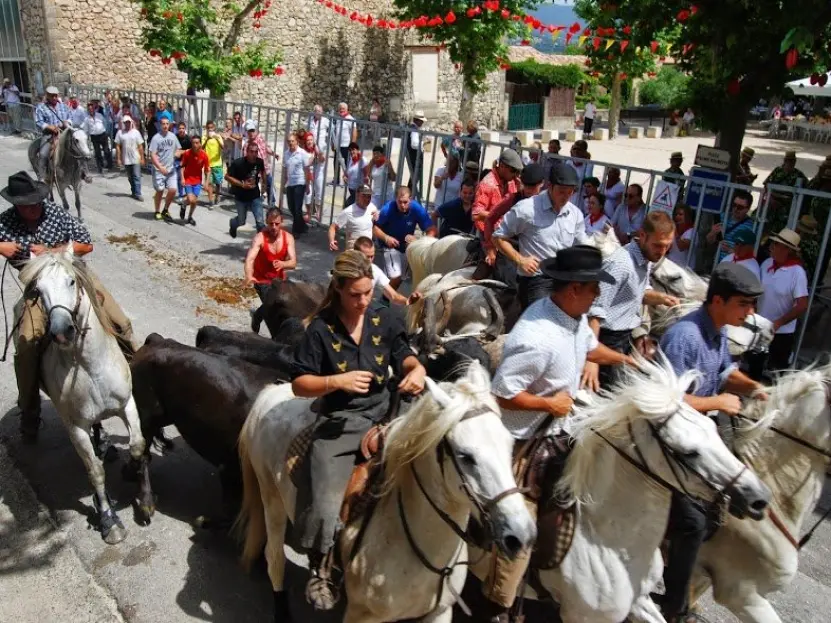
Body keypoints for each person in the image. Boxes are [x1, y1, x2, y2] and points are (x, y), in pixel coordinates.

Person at [484, 245, 635, 622]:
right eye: (593, 288)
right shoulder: (536, 335)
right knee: (523, 524)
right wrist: (548, 405)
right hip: (523, 443)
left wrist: (628, 360)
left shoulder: (574, 317)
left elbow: (590, 348)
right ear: (573, 290)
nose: (598, 295)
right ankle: (500, 602)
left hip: (562, 430)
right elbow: (502, 394)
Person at [290, 250, 426, 611]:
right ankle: (321, 565)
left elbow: (402, 351)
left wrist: (417, 370)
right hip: (342, 422)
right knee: (324, 503)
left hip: (390, 410)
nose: (364, 301)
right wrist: (337, 380)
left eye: (368, 292)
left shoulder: (384, 314)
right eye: (355, 294)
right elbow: (299, 385)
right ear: (337, 289)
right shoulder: (320, 330)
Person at [658, 263, 767, 623]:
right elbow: (665, 399)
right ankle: (675, 606)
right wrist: (716, 403)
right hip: (667, 441)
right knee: (692, 521)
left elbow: (723, 372)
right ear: (718, 300)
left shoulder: (717, 330)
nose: (750, 312)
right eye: (744, 304)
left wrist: (752, 387)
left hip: (698, 436)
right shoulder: (685, 336)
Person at [0, 171, 136, 442]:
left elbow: (86, 243)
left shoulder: (54, 212)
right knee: (27, 344)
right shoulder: (5, 222)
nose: (32, 207)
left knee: (121, 322)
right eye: (26, 204)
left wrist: (45, 251)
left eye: (35, 202)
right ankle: (29, 408)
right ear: (16, 204)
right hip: (40, 287)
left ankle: (137, 382)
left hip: (74, 274)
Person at [586, 211, 680, 389]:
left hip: (624, 339)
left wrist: (661, 298)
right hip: (606, 340)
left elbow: (637, 292)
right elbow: (595, 311)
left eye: (667, 247)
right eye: (658, 245)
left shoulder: (646, 258)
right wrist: (592, 358)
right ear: (642, 236)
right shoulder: (620, 264)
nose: (662, 252)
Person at [493, 163, 589, 309]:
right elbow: (498, 237)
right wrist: (520, 260)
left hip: (564, 280)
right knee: (542, 320)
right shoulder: (527, 209)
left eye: (570, 192)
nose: (566, 197)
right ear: (550, 186)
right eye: (562, 191)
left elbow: (582, 247)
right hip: (537, 280)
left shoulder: (575, 214)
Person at [748, 228, 809, 379]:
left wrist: (779, 322)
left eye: (776, 244)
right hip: (760, 325)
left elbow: (802, 304)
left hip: (782, 333)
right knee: (754, 366)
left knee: (778, 373)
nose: (771, 247)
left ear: (786, 250)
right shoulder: (767, 264)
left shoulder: (797, 273)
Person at [479, 162, 547, 277]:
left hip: (537, 255)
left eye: (532, 187)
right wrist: (490, 248)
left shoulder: (548, 204)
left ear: (542, 184)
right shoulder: (512, 199)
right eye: (526, 186)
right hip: (510, 254)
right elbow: (490, 219)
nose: (528, 191)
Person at [373, 186, 436, 290]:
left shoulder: (417, 209)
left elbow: (432, 230)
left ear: (410, 199)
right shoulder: (387, 209)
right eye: (400, 202)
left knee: (400, 279)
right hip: (389, 246)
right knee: (396, 277)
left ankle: (384, 299)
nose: (402, 205)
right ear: (395, 199)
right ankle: (383, 295)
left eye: (405, 202)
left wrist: (419, 242)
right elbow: (374, 228)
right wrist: (386, 238)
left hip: (406, 248)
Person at [244, 208, 297, 302]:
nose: (274, 227)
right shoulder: (259, 238)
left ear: (282, 222)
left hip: (279, 280)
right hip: (262, 281)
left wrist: (283, 264)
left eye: (277, 224)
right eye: (270, 224)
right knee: (273, 303)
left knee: (290, 302)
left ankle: (257, 316)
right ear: (266, 222)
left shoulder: (288, 238)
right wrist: (249, 275)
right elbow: (250, 259)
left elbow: (293, 263)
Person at [353, 237, 418, 306]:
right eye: (366, 257)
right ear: (356, 254)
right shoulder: (344, 268)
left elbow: (393, 296)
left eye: (372, 256)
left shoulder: (375, 271)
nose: (370, 260)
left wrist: (408, 301)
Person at [763, 151, 809, 236]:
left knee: (781, 231)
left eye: (792, 161)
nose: (790, 163)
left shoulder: (798, 174)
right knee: (763, 225)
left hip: (787, 208)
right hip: (772, 203)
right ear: (784, 160)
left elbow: (806, 190)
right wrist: (771, 198)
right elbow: (766, 184)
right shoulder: (777, 171)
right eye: (788, 160)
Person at [227, 142, 268, 237]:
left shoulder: (259, 162)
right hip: (241, 197)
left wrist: (264, 186)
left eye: (256, 152)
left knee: (260, 222)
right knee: (241, 221)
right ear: (247, 152)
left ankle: (261, 244)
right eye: (251, 152)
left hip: (255, 196)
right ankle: (233, 223)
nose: (254, 154)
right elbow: (227, 177)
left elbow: (263, 172)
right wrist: (242, 184)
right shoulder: (238, 163)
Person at [707, 189, 755, 262]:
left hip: (736, 265)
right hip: (717, 263)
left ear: (747, 209)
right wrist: (712, 233)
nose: (736, 209)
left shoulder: (752, 226)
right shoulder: (722, 217)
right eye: (734, 205)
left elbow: (750, 253)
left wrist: (730, 251)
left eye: (740, 207)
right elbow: (709, 241)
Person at [34, 86, 71, 179]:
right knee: (43, 154)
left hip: (64, 132)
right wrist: (48, 126)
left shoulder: (63, 106)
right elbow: (38, 121)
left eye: (55, 95)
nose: (54, 98)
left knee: (78, 148)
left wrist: (67, 122)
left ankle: (82, 172)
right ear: (47, 96)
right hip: (49, 135)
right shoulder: (41, 107)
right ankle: (41, 177)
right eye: (52, 96)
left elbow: (70, 117)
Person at [328, 185, 379, 251]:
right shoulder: (348, 211)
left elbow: (376, 224)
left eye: (369, 196)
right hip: (353, 253)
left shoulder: (372, 208)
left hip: (367, 251)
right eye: (364, 196)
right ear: (357, 195)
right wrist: (332, 241)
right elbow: (333, 227)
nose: (367, 199)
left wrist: (378, 217)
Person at [148, 117, 179, 221]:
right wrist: (160, 167)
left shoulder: (173, 136)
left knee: (173, 189)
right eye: (163, 124)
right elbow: (152, 155)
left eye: (167, 124)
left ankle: (165, 209)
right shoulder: (156, 138)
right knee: (160, 190)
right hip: (159, 170)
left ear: (169, 125)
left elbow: (178, 149)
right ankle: (157, 210)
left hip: (171, 169)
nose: (165, 126)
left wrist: (178, 154)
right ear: (160, 125)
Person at [281, 133, 312, 236]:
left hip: (300, 182)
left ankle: (296, 231)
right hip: (290, 183)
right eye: (289, 141)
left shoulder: (302, 153)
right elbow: (285, 170)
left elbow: (307, 170)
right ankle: (303, 225)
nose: (291, 143)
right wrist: (283, 184)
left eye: (292, 141)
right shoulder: (286, 154)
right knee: (291, 207)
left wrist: (307, 185)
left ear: (297, 142)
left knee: (297, 207)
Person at [243, 120, 277, 206]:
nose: (251, 133)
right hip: (255, 170)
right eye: (249, 131)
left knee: (269, 185)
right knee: (254, 188)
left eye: (253, 131)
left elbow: (266, 148)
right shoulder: (247, 145)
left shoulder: (261, 139)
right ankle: (254, 203)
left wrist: (274, 154)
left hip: (265, 168)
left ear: (256, 130)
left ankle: (271, 204)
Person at [179, 135, 210, 226]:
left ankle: (189, 217)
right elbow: (182, 166)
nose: (195, 145)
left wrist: (206, 182)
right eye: (193, 143)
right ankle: (184, 204)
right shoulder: (187, 153)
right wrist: (182, 178)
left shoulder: (204, 155)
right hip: (188, 179)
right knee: (190, 199)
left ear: (200, 144)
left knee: (194, 201)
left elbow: (208, 170)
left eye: (197, 143)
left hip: (197, 181)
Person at [114, 117, 145, 201]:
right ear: (124, 123)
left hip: (136, 157)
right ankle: (133, 191)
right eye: (125, 122)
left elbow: (140, 146)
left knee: (136, 176)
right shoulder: (120, 133)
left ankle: (138, 193)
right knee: (130, 177)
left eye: (128, 122)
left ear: (131, 122)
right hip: (126, 158)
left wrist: (142, 158)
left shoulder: (136, 133)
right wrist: (119, 158)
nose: (127, 124)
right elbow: (117, 146)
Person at [80, 102, 112, 173]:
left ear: (94, 109)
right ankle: (100, 167)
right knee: (98, 153)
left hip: (102, 134)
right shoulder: (87, 119)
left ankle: (110, 165)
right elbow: (85, 130)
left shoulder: (99, 115)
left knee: (106, 150)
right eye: (89, 109)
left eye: (92, 109)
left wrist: (106, 131)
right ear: (88, 110)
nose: (91, 110)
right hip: (94, 137)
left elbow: (105, 122)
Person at [365, 145, 397, 212]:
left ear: (382, 154)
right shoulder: (373, 165)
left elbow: (394, 178)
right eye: (374, 154)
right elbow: (368, 175)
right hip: (376, 195)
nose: (376, 155)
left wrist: (390, 167)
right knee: (370, 212)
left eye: (378, 153)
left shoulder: (386, 164)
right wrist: (371, 163)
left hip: (387, 195)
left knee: (386, 214)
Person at [332, 102, 357, 182]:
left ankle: (348, 180)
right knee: (336, 163)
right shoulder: (338, 119)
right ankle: (336, 179)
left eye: (343, 108)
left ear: (347, 109)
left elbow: (354, 133)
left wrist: (352, 146)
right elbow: (335, 132)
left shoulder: (351, 119)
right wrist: (333, 143)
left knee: (347, 164)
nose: (341, 110)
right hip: (338, 145)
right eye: (340, 108)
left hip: (346, 146)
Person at [201, 120, 224, 206]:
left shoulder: (218, 136)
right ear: (206, 129)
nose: (210, 130)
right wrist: (207, 138)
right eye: (208, 128)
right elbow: (201, 148)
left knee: (218, 183)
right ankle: (211, 200)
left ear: (214, 128)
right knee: (209, 183)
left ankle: (217, 196)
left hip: (217, 163)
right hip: (208, 164)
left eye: (211, 128)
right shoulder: (204, 137)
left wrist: (217, 138)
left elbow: (222, 147)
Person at [667, 204, 696, 269]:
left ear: (688, 217)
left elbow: (681, 247)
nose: (677, 217)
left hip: (684, 272)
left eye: (680, 214)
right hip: (670, 268)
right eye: (676, 214)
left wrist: (674, 230)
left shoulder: (692, 231)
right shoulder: (673, 229)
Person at [405, 111, 426, 200]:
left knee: (414, 177)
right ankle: (408, 196)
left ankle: (409, 195)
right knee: (415, 177)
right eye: (421, 121)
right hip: (415, 157)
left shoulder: (413, 128)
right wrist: (423, 143)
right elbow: (414, 144)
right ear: (417, 120)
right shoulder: (414, 129)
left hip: (413, 156)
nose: (422, 123)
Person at [341, 141, 366, 207]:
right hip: (352, 190)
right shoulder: (351, 160)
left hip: (358, 191)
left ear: (358, 150)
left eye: (353, 150)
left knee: (346, 207)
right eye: (350, 150)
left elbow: (367, 176)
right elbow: (346, 173)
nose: (352, 152)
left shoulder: (362, 160)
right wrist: (344, 177)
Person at [173, 121, 192, 205]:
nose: (181, 130)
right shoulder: (175, 137)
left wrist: (182, 151)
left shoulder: (188, 139)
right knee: (178, 178)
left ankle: (186, 195)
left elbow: (192, 151)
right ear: (177, 129)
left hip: (186, 162)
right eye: (180, 128)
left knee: (185, 179)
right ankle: (181, 195)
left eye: (183, 128)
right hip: (176, 161)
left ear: (185, 129)